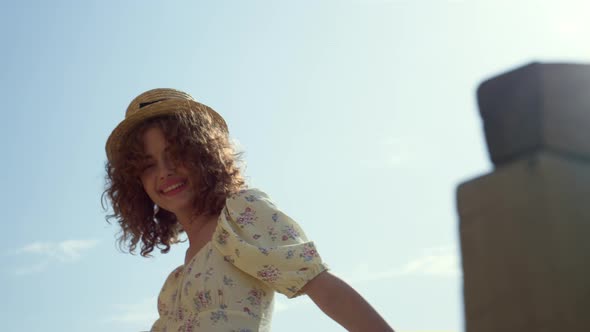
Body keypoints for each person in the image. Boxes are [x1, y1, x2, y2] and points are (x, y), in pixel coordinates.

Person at [103, 88, 394, 332]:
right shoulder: (177, 281)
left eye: (175, 155)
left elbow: (324, 289)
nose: (165, 172)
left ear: (204, 155)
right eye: (149, 165)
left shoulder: (239, 218)